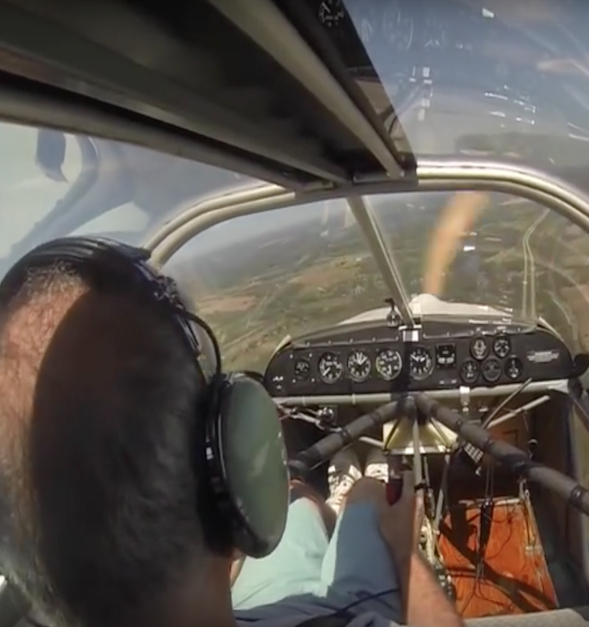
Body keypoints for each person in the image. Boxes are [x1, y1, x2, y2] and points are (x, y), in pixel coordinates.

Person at [0, 239, 464, 627]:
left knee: (299, 498)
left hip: (248, 601)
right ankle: (359, 496)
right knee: (369, 497)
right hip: (326, 611)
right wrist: (404, 548)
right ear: (236, 488)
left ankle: (332, 497)